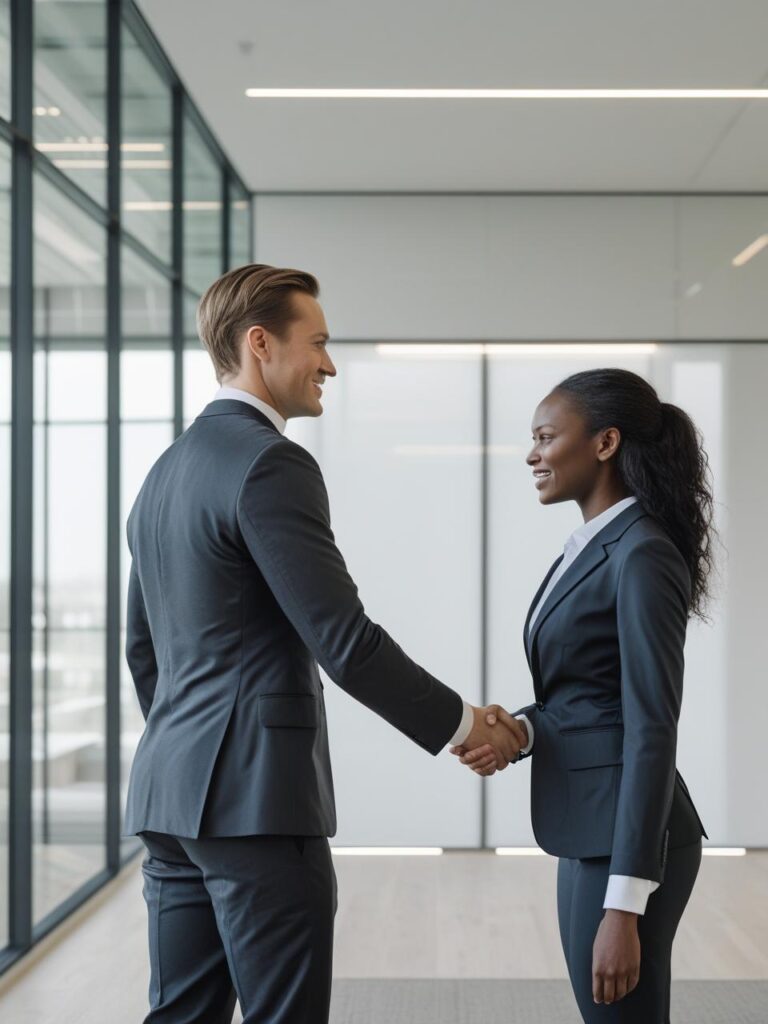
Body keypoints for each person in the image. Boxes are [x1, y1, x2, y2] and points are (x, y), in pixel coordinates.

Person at [123, 263, 528, 1024]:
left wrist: (193, 743)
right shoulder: (270, 463)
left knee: (180, 1014)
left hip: (169, 796)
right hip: (258, 801)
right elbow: (343, 641)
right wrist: (468, 726)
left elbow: (143, 651)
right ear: (259, 344)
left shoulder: (162, 474)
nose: (330, 364)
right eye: (318, 343)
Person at [454, 368, 711, 1023]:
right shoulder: (591, 548)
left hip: (632, 840)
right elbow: (590, 695)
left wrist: (625, 902)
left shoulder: (642, 553)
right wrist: (522, 731)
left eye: (545, 437)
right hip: (592, 828)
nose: (532, 454)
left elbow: (652, 726)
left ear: (604, 444)